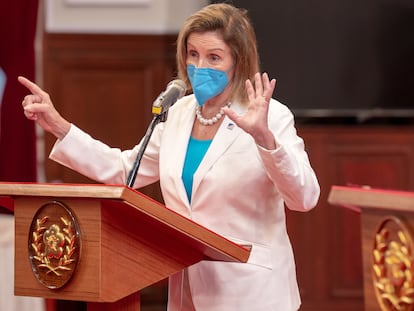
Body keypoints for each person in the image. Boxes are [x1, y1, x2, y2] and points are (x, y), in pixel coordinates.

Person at [19, 3, 320, 310]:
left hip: (250, 292)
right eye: (193, 54)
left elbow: (304, 198)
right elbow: (125, 171)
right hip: (185, 287)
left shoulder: (271, 117)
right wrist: (59, 126)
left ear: (238, 62)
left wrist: (264, 138)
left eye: (214, 57)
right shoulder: (178, 113)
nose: (200, 66)